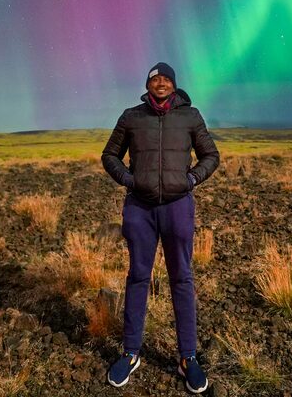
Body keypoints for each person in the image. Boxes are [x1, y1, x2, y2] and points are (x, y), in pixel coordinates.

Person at [101, 61, 220, 393]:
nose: (161, 83)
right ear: (148, 85)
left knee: (181, 277)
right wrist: (129, 179)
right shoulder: (131, 117)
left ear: (174, 85)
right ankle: (131, 352)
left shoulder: (190, 116)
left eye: (167, 79)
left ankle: (188, 358)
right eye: (156, 79)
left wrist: (192, 178)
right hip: (140, 208)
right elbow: (110, 155)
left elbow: (211, 155)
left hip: (178, 207)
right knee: (138, 276)